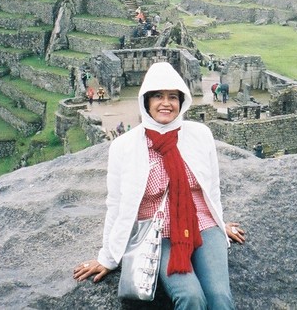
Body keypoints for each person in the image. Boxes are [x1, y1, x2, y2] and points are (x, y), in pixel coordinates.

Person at [73, 62, 245, 308]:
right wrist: (108, 258)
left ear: (182, 101)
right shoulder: (125, 146)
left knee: (220, 298)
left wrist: (219, 221)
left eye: (172, 97)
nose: (166, 103)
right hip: (157, 232)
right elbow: (116, 204)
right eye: (158, 96)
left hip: (203, 224)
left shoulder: (199, 134)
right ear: (146, 101)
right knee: (190, 297)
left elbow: (212, 186)